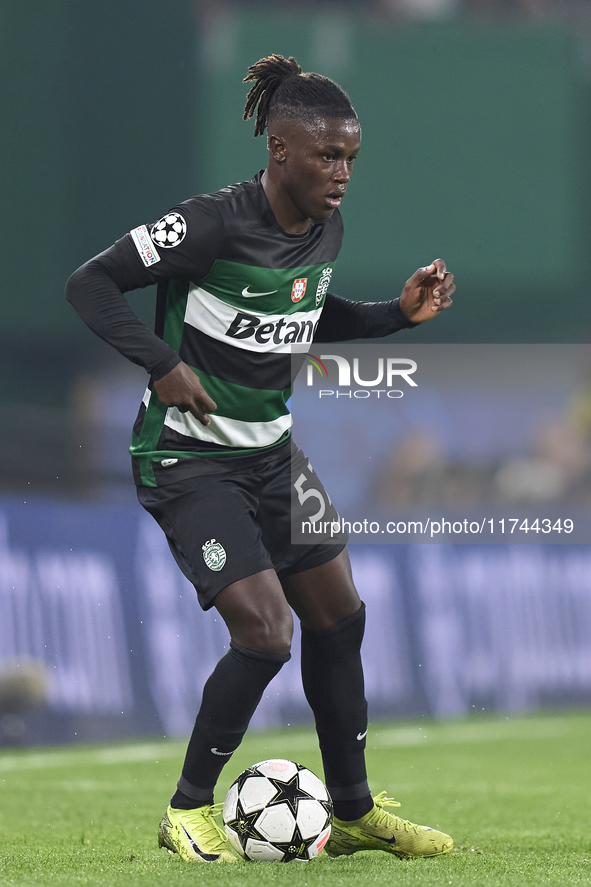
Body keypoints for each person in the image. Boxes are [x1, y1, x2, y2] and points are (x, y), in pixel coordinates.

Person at [66, 53, 455, 864]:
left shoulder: (323, 224)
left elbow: (303, 309)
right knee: (267, 634)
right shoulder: (209, 223)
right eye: (326, 156)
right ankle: (185, 810)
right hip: (187, 461)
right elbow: (91, 284)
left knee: (340, 614)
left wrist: (394, 316)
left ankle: (350, 813)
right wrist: (161, 364)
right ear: (280, 148)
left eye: (350, 156)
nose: (342, 172)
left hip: (270, 455)